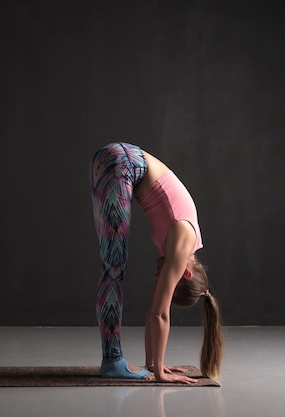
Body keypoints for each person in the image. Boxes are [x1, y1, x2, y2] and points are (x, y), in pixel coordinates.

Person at [89, 142, 223, 384]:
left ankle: (113, 360)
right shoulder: (183, 245)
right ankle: (111, 362)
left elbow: (153, 309)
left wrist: (153, 364)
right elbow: (160, 314)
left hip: (112, 159)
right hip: (124, 163)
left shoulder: (179, 245)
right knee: (114, 269)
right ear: (187, 274)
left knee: (111, 265)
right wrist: (160, 374)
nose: (159, 278)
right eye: (171, 286)